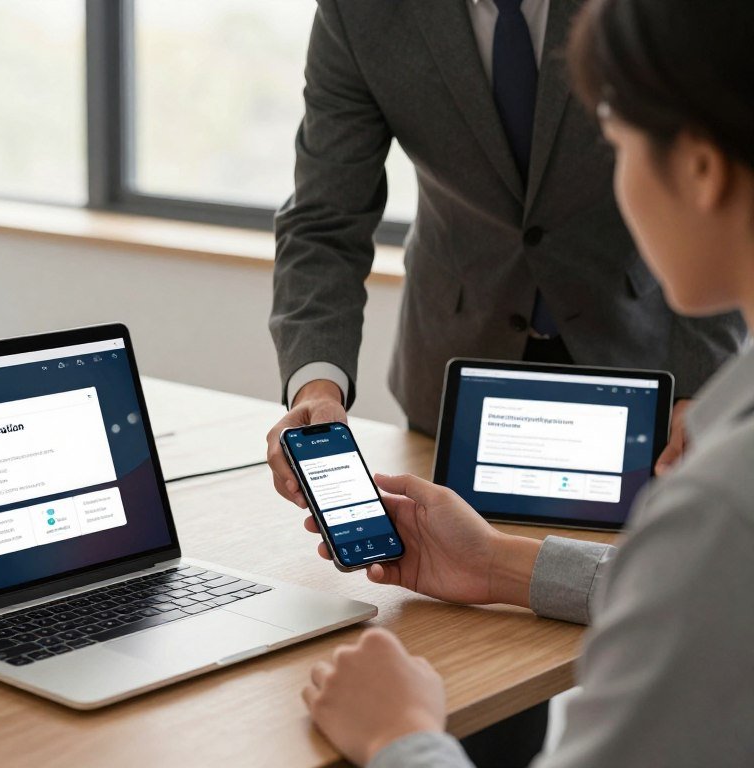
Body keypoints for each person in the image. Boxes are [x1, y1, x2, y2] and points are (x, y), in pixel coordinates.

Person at [296, 0, 754, 766]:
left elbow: (700, 569)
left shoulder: (717, 508)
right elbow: (692, 587)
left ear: (700, 170)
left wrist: (398, 736)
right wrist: (495, 563)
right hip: (455, 356)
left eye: (618, 143)